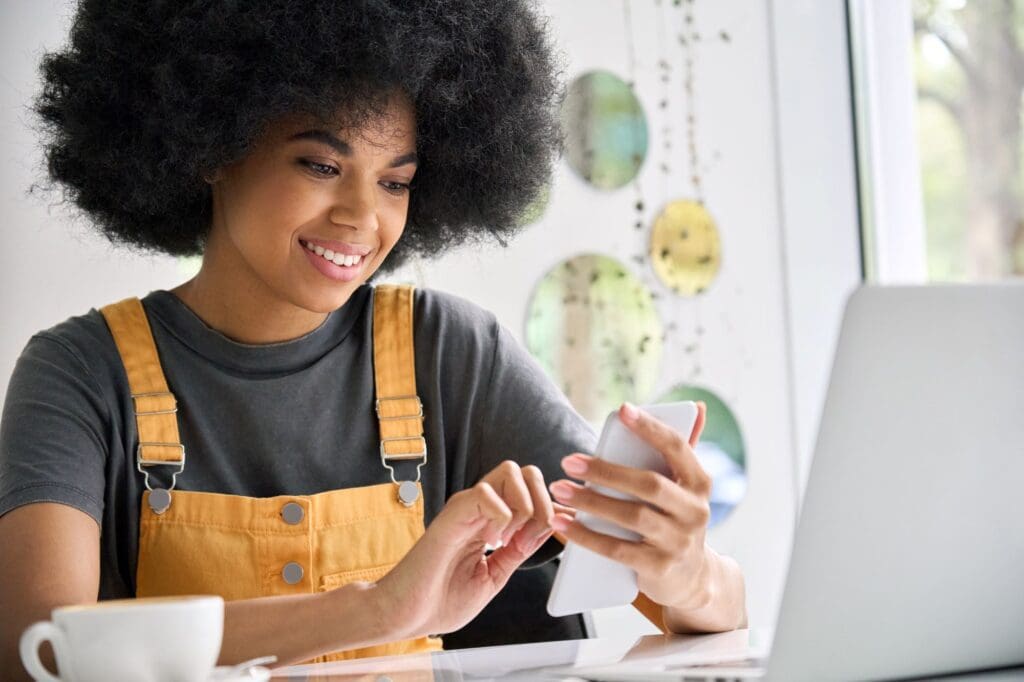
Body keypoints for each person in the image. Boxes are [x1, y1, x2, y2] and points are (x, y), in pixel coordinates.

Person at [0, 0, 748, 676]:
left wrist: (684, 571)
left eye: (395, 181)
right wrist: (381, 608)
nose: (363, 218)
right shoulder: (81, 373)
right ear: (210, 150)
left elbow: (713, 611)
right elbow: (34, 647)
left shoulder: (449, 355)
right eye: (323, 165)